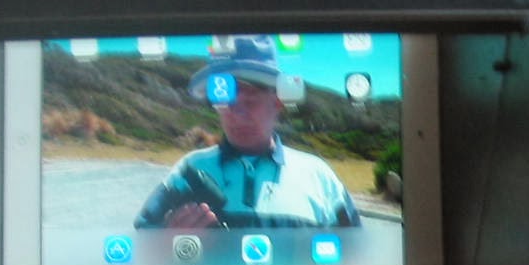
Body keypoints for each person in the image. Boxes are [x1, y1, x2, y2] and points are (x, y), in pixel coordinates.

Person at [134, 35, 362, 229]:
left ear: (277, 102)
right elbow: (142, 240)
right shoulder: (189, 169)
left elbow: (357, 253)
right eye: (227, 102)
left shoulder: (320, 176)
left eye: (250, 102)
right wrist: (167, 239)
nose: (238, 115)